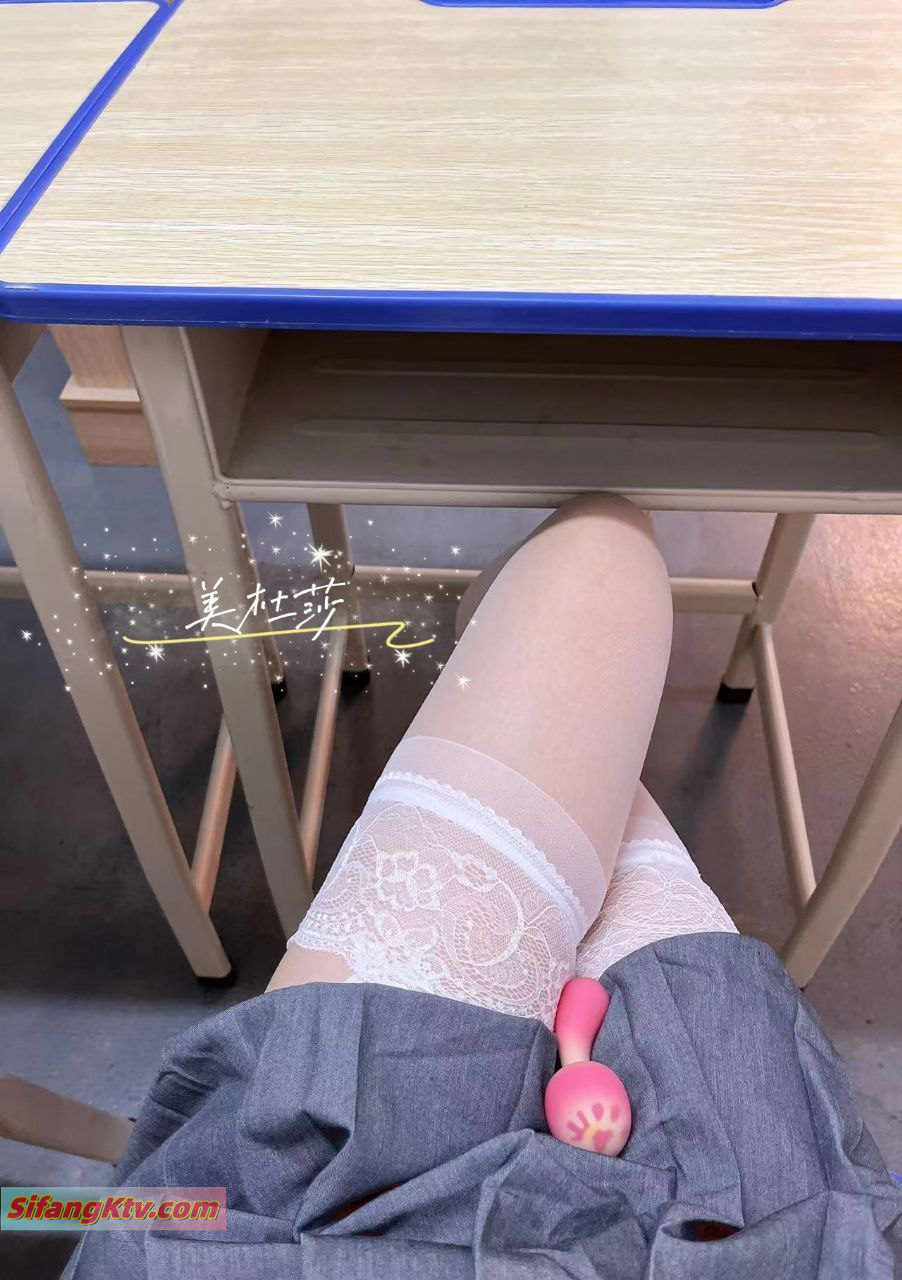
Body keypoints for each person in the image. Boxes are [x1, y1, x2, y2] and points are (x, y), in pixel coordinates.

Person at [64, 496, 900, 1278]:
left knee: (600, 552)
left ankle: (490, 632)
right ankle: (491, 631)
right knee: (605, 544)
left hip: (318, 1211)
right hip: (762, 1213)